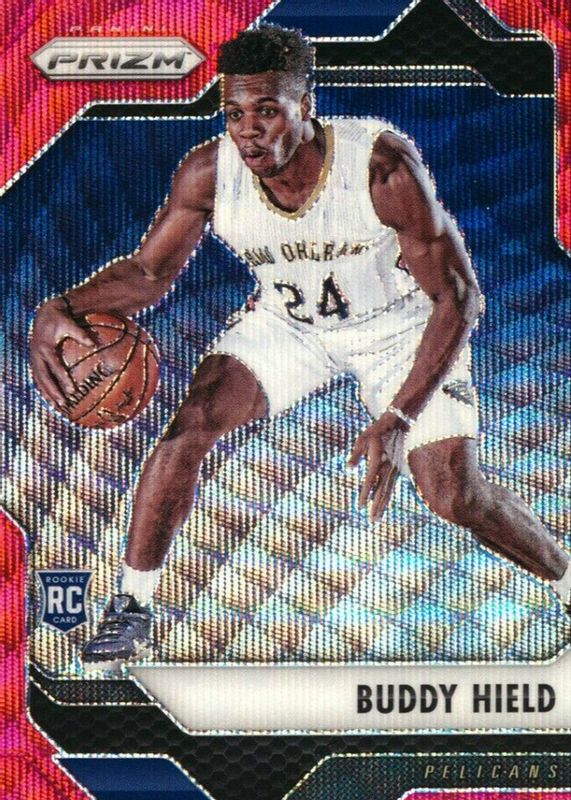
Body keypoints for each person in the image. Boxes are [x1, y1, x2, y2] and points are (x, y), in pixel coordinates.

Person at [31, 25, 571, 668]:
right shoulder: (209, 173)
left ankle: (567, 580)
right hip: (291, 325)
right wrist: (60, 308)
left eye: (267, 110)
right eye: (235, 113)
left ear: (306, 106)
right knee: (192, 423)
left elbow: (458, 298)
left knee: (454, 495)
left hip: (399, 331)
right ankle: (132, 606)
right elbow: (149, 274)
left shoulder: (379, 168)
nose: (249, 130)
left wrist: (398, 417)